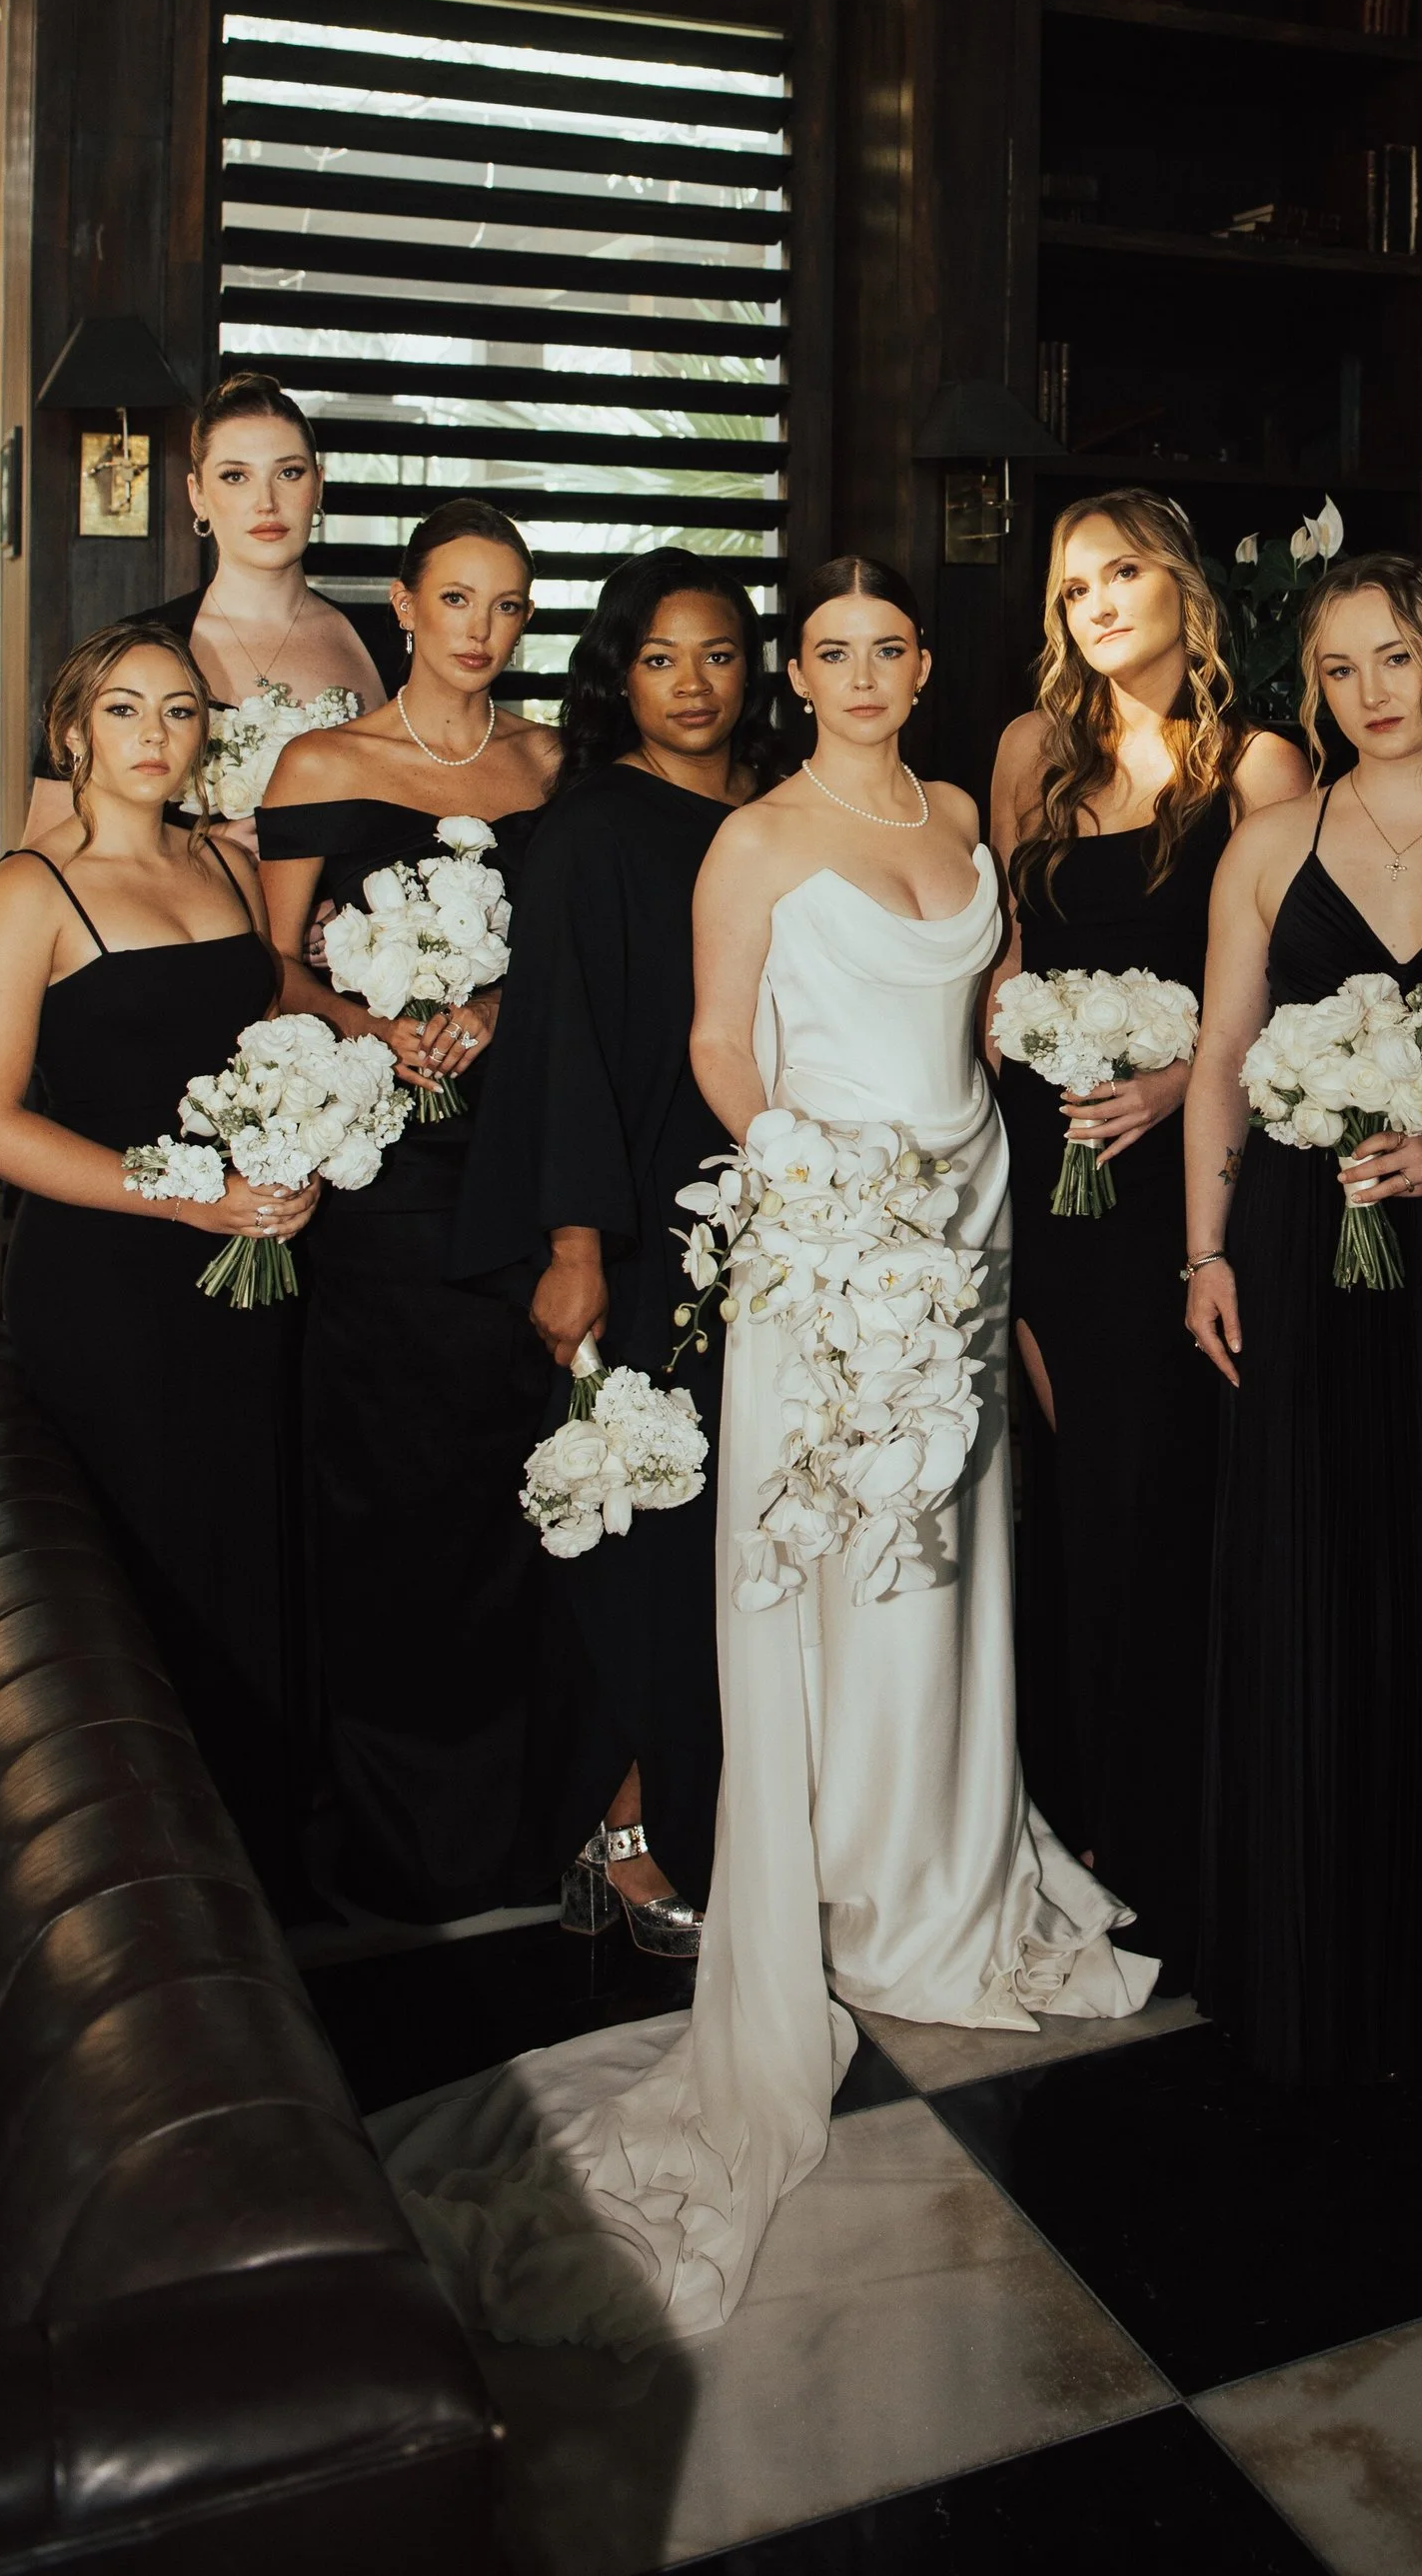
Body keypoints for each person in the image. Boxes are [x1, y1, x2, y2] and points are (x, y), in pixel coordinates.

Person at [375, 558, 1153, 2347]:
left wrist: (1041, 1067)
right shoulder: (755, 841)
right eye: (831, 652)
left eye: (890, 650)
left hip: (968, 1218)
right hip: (827, 1233)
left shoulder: (961, 810)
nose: (860, 674)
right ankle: (850, 1890)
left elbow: (984, 1001)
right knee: (835, 1560)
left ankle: (951, 1865)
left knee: (954, 1550)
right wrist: (815, 1182)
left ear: (924, 668)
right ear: (797, 677)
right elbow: (720, 1048)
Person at [1185, 552, 1422, 2084]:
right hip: (1297, 1244)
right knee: (1314, 1573)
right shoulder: (1273, 842)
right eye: (1339, 672)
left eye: (1395, 658)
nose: (1371, 695)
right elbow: (1220, 1050)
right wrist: (1203, 1252)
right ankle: (1306, 1953)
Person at [988, 491, 1309, 1982]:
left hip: (1179, 1185)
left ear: (1184, 588)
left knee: (1158, 1501)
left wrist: (1177, 1080)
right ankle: (1061, 1825)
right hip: (1048, 1182)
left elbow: (1287, 998)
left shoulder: (1256, 765)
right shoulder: (1027, 757)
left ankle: (1161, 1836)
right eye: (1072, 586)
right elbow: (996, 961)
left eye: (1122, 573)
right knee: (1057, 1504)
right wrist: (1024, 1052)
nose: (1096, 602)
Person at [452, 551, 788, 1953]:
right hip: (643, 1219)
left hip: (781, 1205)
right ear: (619, 674)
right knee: (641, 1527)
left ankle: (717, 1813)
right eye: (661, 659)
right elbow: (564, 1049)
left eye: (717, 654)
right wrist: (575, 1243)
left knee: (750, 1529)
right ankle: (624, 1825)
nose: (694, 685)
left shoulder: (787, 817)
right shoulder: (590, 827)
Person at [259, 498, 563, 1923]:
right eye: (458, 600)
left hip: (511, 1165)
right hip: (379, 1183)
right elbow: (273, 977)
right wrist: (372, 1029)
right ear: (403, 602)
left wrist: (494, 1005)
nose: (482, 629)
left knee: (513, 1482)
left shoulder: (550, 764)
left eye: (507, 604)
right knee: (388, 1495)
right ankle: (390, 1836)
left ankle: (517, 1820)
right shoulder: (324, 761)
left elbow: (578, 956)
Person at [0, 624, 316, 1887]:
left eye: (180, 711)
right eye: (125, 711)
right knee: (143, 1565)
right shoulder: (27, 889)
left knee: (243, 1544)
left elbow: (273, 1033)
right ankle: (147, 1879)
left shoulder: (227, 864)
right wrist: (184, 1202)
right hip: (108, 1279)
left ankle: (253, 1865)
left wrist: (296, 1161)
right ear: (75, 731)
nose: (154, 737)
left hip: (247, 1270)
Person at [26, 372, 385, 845]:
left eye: (289, 473)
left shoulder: (384, 643)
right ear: (198, 494)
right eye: (236, 476)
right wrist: (200, 857)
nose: (266, 502)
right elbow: (45, 853)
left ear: (318, 486)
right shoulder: (124, 654)